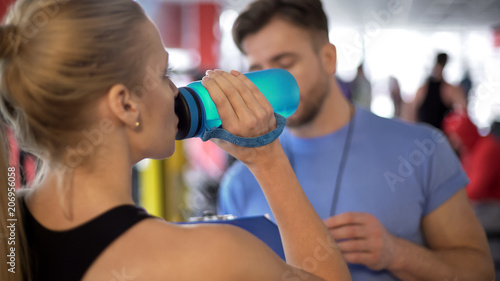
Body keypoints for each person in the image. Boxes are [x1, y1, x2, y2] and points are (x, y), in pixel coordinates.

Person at [0, 0, 351, 280]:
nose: (175, 91)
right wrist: (267, 158)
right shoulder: (213, 257)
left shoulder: (9, 229)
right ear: (124, 104)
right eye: (165, 74)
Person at [218, 0, 494, 280]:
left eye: (284, 63)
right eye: (257, 72)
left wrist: (398, 254)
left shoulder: (423, 149)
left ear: (328, 59)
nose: (269, 86)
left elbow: (479, 273)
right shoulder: (239, 183)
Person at [412, 53, 466, 129]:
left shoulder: (421, 90)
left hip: (425, 135)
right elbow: (463, 110)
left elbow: (411, 116)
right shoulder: (449, 90)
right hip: (438, 135)